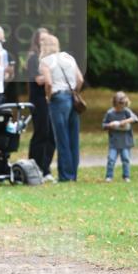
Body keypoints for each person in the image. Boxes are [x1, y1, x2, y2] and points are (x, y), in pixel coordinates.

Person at [39, 34, 84, 182]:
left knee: (62, 138)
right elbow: (80, 79)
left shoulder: (45, 61)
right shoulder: (68, 57)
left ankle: (65, 176)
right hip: (71, 97)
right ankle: (73, 175)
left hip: (58, 99)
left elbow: (49, 83)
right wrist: (75, 93)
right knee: (73, 138)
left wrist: (48, 97)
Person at [26, 27, 55, 181]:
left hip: (51, 99)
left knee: (52, 136)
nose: (45, 42)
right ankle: (34, 167)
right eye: (42, 39)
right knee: (41, 133)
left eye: (47, 39)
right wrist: (53, 77)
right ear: (37, 41)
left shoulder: (51, 59)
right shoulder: (33, 58)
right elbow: (38, 80)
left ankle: (46, 168)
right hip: (38, 100)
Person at [102, 91, 138, 182]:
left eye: (123, 105)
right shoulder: (110, 113)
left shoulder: (126, 111)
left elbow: (135, 119)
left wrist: (125, 121)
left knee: (126, 159)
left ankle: (126, 176)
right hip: (114, 142)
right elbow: (103, 125)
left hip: (125, 141)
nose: (121, 107)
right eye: (119, 105)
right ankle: (109, 176)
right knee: (111, 159)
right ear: (115, 103)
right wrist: (110, 125)